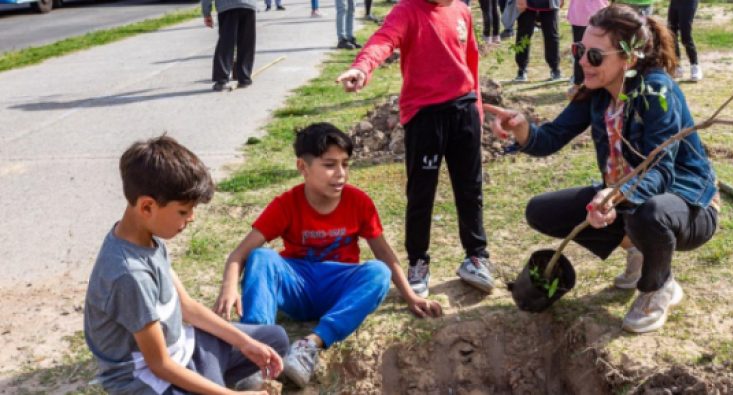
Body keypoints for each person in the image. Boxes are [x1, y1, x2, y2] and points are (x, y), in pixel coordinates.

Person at [485, 4, 719, 333]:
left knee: (647, 214)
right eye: (580, 50)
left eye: (594, 56)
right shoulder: (596, 93)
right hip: (625, 198)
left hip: (687, 204)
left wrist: (614, 193)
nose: (582, 61)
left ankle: (659, 286)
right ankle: (640, 250)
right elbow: (551, 138)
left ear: (629, 57)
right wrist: (521, 128)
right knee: (541, 211)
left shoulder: (657, 92)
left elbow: (661, 171)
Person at [213, 123, 443, 388]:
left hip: (337, 290)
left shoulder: (359, 202)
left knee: (378, 272)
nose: (341, 174)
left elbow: (383, 253)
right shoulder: (286, 204)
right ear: (303, 167)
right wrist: (229, 287)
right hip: (297, 287)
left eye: (345, 164)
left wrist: (411, 296)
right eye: (330, 165)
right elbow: (239, 254)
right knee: (262, 257)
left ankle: (309, 346)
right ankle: (254, 352)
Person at [84, 136, 288, 394]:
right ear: (147, 206)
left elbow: (186, 307)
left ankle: (212, 379)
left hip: (186, 346)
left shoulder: (146, 238)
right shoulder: (129, 275)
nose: (191, 218)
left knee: (273, 341)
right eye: (183, 211)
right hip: (151, 379)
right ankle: (215, 384)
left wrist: (246, 343)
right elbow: (159, 365)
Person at [335, 0, 496, 298]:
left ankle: (476, 256)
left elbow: (470, 59)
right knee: (422, 193)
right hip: (425, 115)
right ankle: (418, 262)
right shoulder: (407, 10)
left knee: (470, 188)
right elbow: (383, 40)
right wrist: (362, 66)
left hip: (464, 111)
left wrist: (477, 107)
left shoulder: (460, 10)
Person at [203, 0, 258, 91]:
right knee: (246, 41)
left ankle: (221, 79)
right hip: (248, 5)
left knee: (226, 42)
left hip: (227, 5)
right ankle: (244, 77)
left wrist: (206, 12)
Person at [566, 0, 608, 97]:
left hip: (598, 14)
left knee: (599, 51)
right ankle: (578, 84)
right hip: (581, 15)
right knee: (580, 51)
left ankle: (599, 83)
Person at [513, 0, 562, 82]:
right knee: (523, 35)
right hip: (527, 4)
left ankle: (555, 68)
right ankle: (521, 69)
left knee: (551, 35)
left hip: (550, 4)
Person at [668, 0, 701, 81]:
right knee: (671, 34)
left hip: (689, 2)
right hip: (675, 2)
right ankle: (677, 67)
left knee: (685, 35)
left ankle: (694, 66)